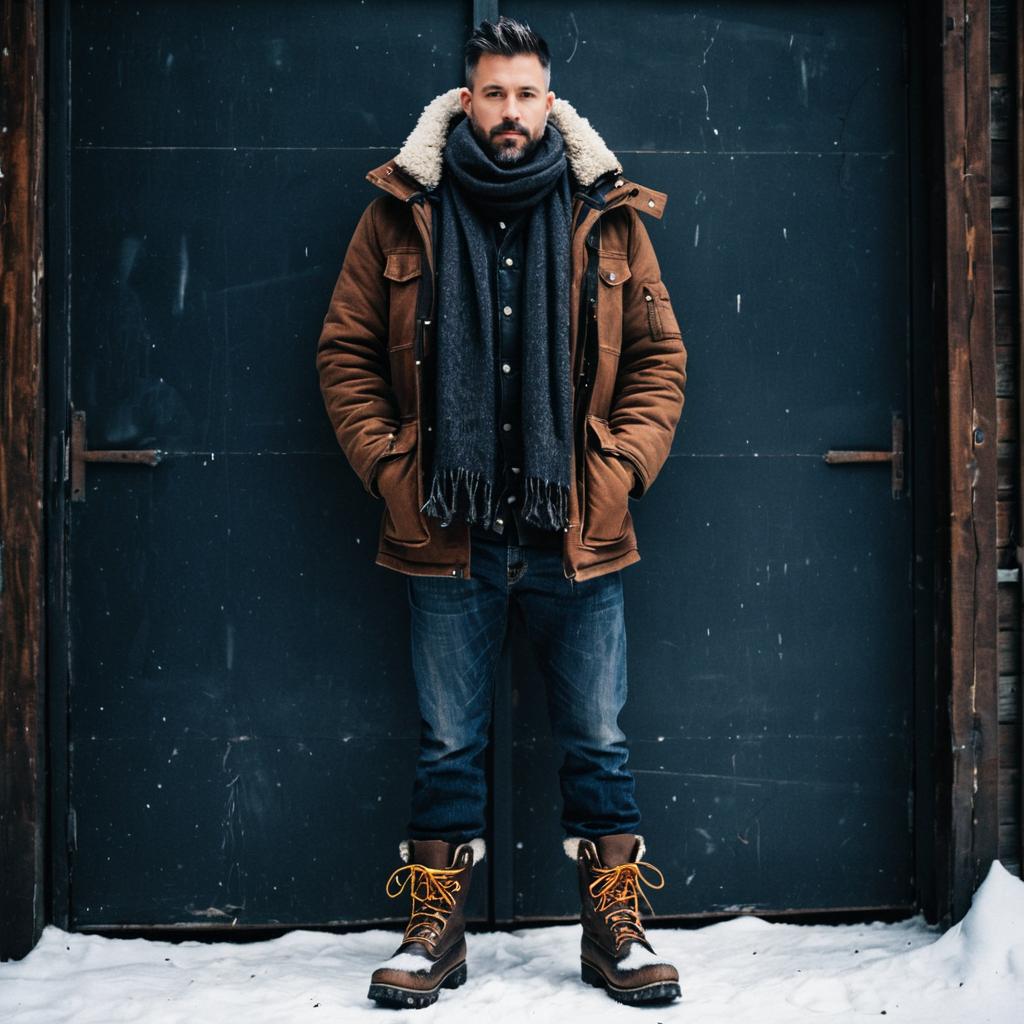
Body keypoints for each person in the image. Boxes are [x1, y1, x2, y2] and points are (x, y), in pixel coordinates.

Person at [316, 15, 687, 1009]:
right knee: (447, 743)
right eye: (493, 94)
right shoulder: (403, 210)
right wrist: (392, 465)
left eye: (526, 94)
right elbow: (346, 352)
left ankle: (615, 932)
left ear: (549, 102)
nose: (510, 111)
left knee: (598, 739)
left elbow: (659, 358)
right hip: (448, 531)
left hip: (577, 531)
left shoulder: (606, 211)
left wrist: (619, 469)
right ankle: (432, 935)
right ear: (465, 101)